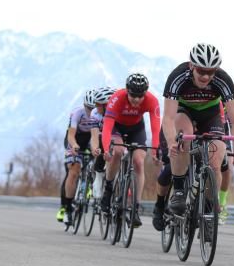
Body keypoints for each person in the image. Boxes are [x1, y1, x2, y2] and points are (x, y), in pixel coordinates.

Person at [161, 43, 234, 216]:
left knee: (216, 159)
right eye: (201, 71)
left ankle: (209, 206)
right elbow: (168, 118)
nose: (206, 76)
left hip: (211, 114)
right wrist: (172, 141)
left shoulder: (223, 79)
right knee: (182, 140)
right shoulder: (178, 76)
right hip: (184, 111)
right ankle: (178, 191)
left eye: (211, 72)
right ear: (192, 66)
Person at [100, 74, 160, 227]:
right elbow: (107, 126)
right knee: (118, 151)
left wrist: (155, 150)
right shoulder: (117, 98)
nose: (136, 99)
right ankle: (108, 189)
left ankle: (135, 207)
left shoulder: (151, 100)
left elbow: (155, 127)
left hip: (136, 129)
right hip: (117, 128)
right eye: (133, 95)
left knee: (138, 162)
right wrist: (107, 148)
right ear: (127, 91)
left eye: (140, 96)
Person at [57, 89, 100, 226]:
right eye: (88, 108)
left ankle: (89, 184)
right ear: (84, 105)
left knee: (98, 158)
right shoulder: (77, 113)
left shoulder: (101, 114)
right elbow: (71, 135)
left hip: (92, 138)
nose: (90, 111)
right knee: (74, 171)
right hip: (76, 138)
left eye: (93, 108)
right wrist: (74, 145)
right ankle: (67, 208)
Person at [89, 86, 117, 199]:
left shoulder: (117, 111)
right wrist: (95, 148)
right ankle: (99, 175)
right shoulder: (95, 113)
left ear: (107, 104)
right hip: (101, 134)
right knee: (100, 144)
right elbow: (94, 135)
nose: (95, 107)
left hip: (116, 134)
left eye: (98, 104)